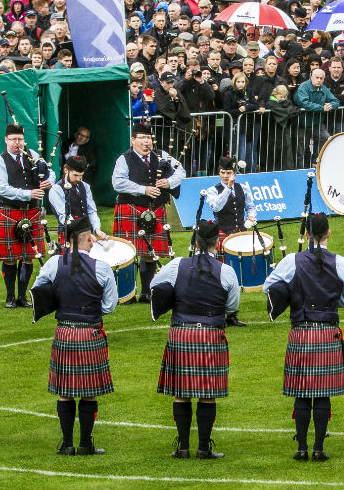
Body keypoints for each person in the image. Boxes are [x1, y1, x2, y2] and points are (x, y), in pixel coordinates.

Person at [263, 213, 344, 461]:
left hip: (301, 332)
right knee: (322, 393)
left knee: (302, 392)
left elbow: (268, 287)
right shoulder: (341, 263)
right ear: (328, 233)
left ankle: (302, 448)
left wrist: (291, 291)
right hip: (327, 331)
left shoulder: (292, 260)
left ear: (306, 235)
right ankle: (319, 449)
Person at [151, 219, 240, 459]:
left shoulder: (176, 265)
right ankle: (203, 448)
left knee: (181, 392)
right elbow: (232, 306)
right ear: (218, 242)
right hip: (211, 333)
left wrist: (174, 297)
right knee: (207, 393)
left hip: (181, 332)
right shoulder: (226, 271)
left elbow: (154, 287)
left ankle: (182, 447)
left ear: (196, 241)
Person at [32, 217, 118, 456]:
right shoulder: (101, 267)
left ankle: (67, 444)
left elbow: (39, 292)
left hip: (65, 331)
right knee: (89, 390)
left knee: (65, 390)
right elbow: (110, 306)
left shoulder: (52, 264)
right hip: (90, 331)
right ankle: (85, 444)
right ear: (88, 237)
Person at [112, 123, 186, 303]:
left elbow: (181, 171)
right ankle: (127, 294)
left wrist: (169, 182)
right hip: (130, 207)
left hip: (155, 208)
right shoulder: (124, 159)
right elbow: (117, 183)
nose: (146, 142)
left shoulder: (162, 155)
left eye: (149, 139)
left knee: (150, 251)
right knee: (128, 251)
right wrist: (143, 189)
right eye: (142, 138)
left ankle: (146, 291)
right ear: (133, 140)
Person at [0, 123, 51, 309]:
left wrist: (48, 182)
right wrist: (28, 194)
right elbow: (2, 188)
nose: (18, 143)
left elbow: (49, 171)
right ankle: (10, 297)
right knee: (10, 256)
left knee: (29, 255)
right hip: (11, 211)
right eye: (14, 140)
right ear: (6, 140)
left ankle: (23, 296)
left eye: (20, 140)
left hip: (31, 211)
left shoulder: (32, 155)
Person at [205, 155, 255, 326]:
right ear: (219, 172)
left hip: (240, 236)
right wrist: (228, 188)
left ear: (235, 173)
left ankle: (232, 314)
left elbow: (251, 206)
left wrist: (252, 216)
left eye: (229, 172)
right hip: (222, 235)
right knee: (220, 276)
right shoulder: (213, 190)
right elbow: (216, 206)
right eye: (222, 172)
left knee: (235, 276)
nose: (225, 176)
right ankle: (217, 312)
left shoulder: (244, 188)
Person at [48, 154, 106, 253]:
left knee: (89, 265)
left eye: (81, 176)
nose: (78, 179)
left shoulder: (85, 187)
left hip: (87, 234)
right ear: (66, 170)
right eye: (75, 175)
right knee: (71, 266)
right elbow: (65, 217)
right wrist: (84, 234)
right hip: (68, 236)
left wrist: (97, 229)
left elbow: (91, 211)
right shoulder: (56, 190)